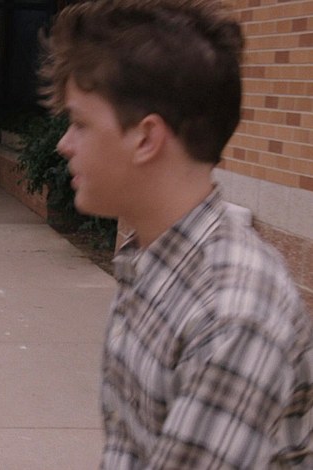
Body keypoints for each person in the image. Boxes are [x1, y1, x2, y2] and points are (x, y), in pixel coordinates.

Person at [40, 0, 313, 468]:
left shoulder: (233, 314)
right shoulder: (151, 260)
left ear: (147, 138)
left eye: (80, 123)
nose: (64, 143)